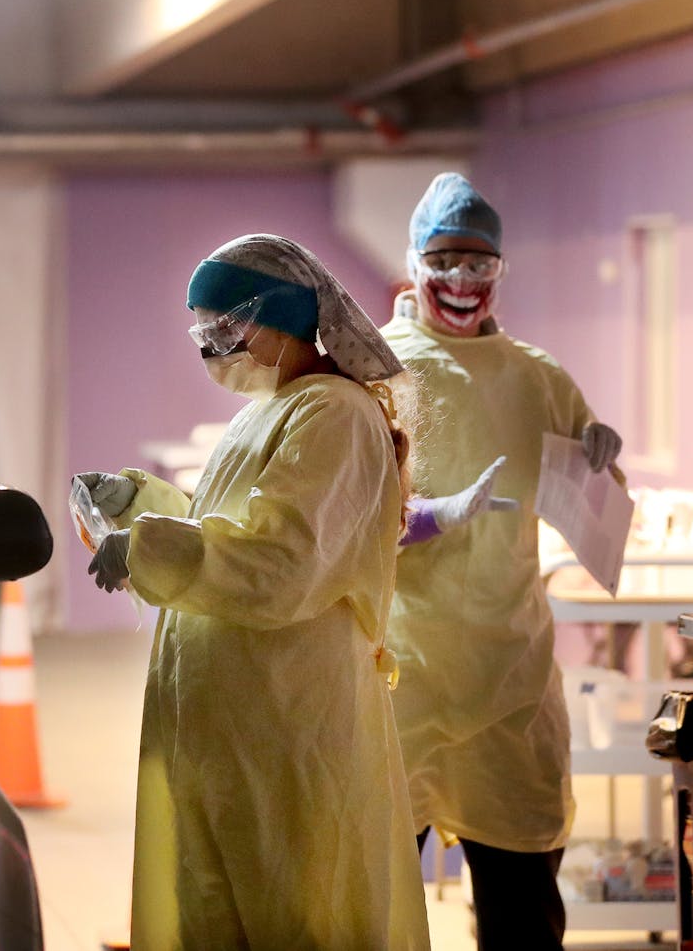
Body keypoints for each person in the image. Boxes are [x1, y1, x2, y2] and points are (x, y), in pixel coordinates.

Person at [79, 234, 431, 950]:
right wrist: (137, 504)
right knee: (223, 904)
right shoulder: (271, 407)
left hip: (288, 719)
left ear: (286, 316)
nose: (212, 344)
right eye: (203, 327)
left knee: (295, 907)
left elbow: (280, 561)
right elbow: (227, 534)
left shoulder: (334, 414)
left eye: (226, 325)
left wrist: (145, 547)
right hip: (237, 725)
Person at [380, 172, 624, 950]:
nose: (460, 281)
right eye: (445, 260)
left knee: (521, 908)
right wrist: (418, 520)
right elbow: (336, 509)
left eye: (479, 265)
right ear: (413, 262)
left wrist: (602, 464)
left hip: (507, 681)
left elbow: (599, 514)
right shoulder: (376, 371)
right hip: (399, 673)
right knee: (373, 906)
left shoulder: (538, 378)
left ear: (500, 274)